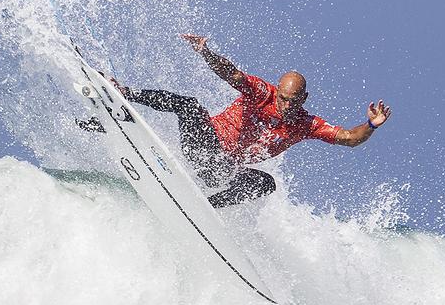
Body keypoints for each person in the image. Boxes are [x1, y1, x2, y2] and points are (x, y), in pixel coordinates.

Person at [81, 34, 391, 208]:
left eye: (293, 101)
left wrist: (372, 125)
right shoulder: (261, 92)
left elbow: (350, 138)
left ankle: (207, 207)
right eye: (283, 98)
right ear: (278, 91)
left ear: (303, 100)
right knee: (189, 105)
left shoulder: (306, 125)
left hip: (220, 173)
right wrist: (207, 53)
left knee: (266, 183)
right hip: (203, 145)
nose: (285, 105)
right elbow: (231, 73)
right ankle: (123, 94)